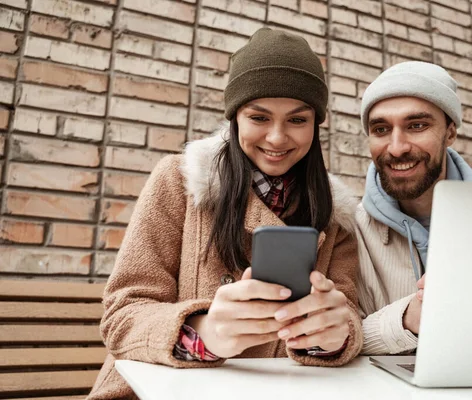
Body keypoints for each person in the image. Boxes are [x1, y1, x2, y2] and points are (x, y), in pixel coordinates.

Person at [88, 28, 363, 399]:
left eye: (298, 120)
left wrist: (334, 335)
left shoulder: (334, 213)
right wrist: (206, 333)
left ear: (316, 126)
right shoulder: (180, 180)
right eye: (259, 117)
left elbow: (348, 312)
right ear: (235, 119)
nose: (278, 138)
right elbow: (122, 315)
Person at [355, 61, 472, 355]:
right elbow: (340, 336)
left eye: (417, 126)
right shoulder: (348, 230)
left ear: (450, 133)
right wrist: (408, 319)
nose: (397, 147)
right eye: (381, 129)